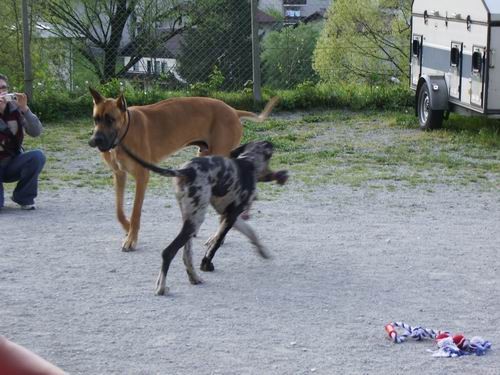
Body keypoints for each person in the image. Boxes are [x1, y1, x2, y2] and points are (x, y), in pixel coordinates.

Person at [0, 73, 45, 210]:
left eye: (3, 88)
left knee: (37, 156)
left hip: (11, 162)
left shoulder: (16, 109)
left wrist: (25, 109)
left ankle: (23, 197)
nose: (1, 92)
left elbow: (36, 132)